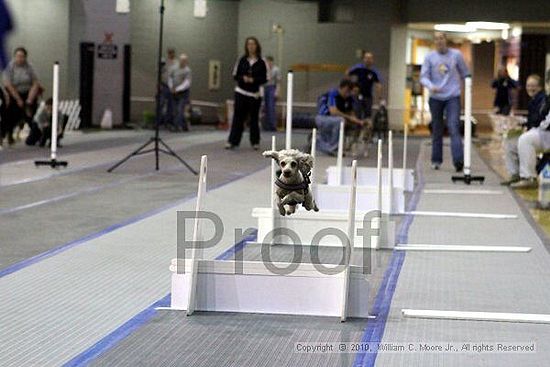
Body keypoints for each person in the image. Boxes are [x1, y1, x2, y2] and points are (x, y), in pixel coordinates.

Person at [420, 32, 470, 172]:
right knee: (437, 129)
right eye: (436, 39)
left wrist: (467, 87)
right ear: (434, 41)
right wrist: (431, 86)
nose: (439, 41)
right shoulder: (430, 57)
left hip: (453, 96)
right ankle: (436, 160)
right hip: (436, 97)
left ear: (446, 40)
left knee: (453, 126)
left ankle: (458, 161)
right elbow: (423, 77)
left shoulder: (456, 55)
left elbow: (465, 73)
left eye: (441, 38)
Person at [501, 74, 548, 188]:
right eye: (528, 86)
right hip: (541, 131)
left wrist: (526, 125)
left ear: (541, 87)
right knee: (510, 140)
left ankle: (529, 177)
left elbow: (541, 121)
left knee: (525, 139)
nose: (530, 88)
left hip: (545, 133)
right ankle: (516, 174)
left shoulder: (543, 99)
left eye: (534, 86)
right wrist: (522, 124)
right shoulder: (537, 100)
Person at [226, 37, 268, 150]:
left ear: (257, 46)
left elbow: (265, 78)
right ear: (246, 46)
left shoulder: (262, 62)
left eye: (253, 44)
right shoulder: (241, 60)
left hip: (254, 94)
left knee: (254, 119)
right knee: (238, 117)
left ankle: (255, 142)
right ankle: (232, 141)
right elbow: (235, 75)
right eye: (249, 44)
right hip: (241, 92)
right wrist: (242, 78)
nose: (251, 46)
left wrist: (253, 80)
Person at [2, 47, 41, 146]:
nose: (20, 58)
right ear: (15, 57)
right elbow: (7, 84)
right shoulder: (10, 67)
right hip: (14, 93)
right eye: (18, 56)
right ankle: (8, 134)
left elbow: (35, 83)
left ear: (25, 57)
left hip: (28, 93)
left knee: (31, 114)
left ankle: (36, 135)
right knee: (10, 113)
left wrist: (29, 100)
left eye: (22, 56)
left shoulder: (29, 67)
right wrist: (18, 99)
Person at [315, 79, 364, 155]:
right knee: (341, 121)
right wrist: (349, 118)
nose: (348, 94)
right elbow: (333, 111)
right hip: (323, 118)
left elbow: (351, 113)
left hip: (333, 119)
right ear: (344, 88)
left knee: (344, 121)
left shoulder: (348, 98)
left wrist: (358, 121)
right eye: (347, 91)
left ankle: (333, 145)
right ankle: (333, 148)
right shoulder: (333, 94)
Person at [347, 51, 382, 119]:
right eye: (366, 58)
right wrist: (352, 87)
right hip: (357, 95)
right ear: (363, 59)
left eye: (370, 58)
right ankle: (357, 128)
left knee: (368, 114)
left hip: (368, 96)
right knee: (357, 113)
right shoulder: (358, 67)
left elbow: (378, 84)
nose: (368, 60)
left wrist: (379, 97)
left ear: (372, 60)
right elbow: (348, 73)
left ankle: (366, 128)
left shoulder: (374, 71)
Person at [168, 53, 192, 132]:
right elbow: (170, 78)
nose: (183, 62)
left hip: (183, 93)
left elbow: (187, 83)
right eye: (182, 60)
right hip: (173, 92)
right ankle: (184, 125)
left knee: (180, 109)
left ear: (186, 61)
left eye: (185, 60)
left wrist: (177, 89)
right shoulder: (174, 68)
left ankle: (176, 126)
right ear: (179, 60)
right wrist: (171, 87)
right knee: (175, 110)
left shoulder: (187, 70)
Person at [159, 48, 177, 128]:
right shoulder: (164, 62)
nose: (171, 54)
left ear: (174, 53)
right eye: (169, 53)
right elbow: (160, 72)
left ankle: (168, 122)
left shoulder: (177, 63)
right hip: (164, 85)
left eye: (172, 53)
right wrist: (159, 84)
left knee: (171, 105)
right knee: (161, 103)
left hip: (172, 86)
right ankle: (158, 122)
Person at [262, 55, 280, 131]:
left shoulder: (276, 69)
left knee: (271, 107)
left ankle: (273, 125)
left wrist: (277, 91)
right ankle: (266, 125)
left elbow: (278, 82)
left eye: (268, 62)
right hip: (264, 88)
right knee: (265, 107)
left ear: (271, 62)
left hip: (272, 87)